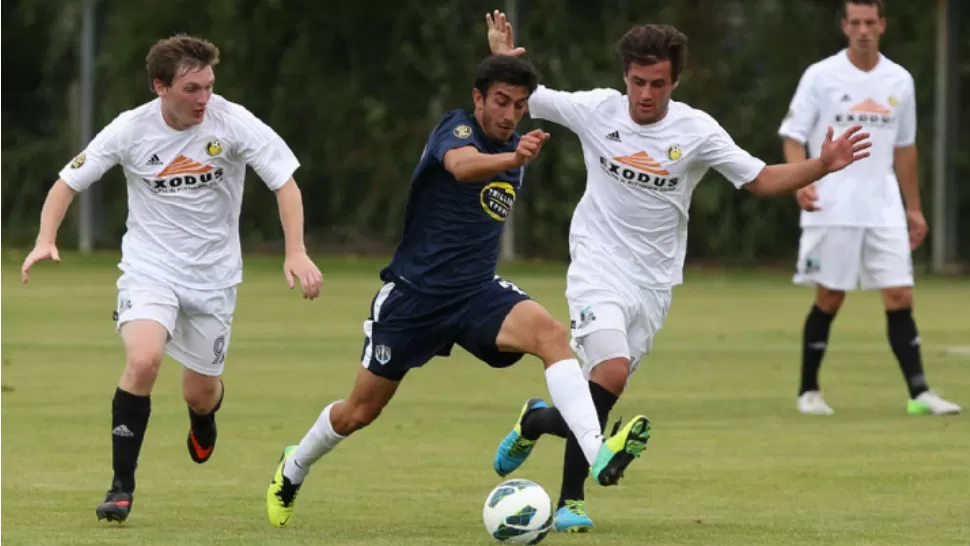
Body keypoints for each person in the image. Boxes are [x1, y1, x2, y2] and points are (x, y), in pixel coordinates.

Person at [485, 11, 873, 533]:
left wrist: (822, 165)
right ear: (625, 76)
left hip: (654, 282)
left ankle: (536, 419)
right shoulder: (595, 109)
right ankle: (570, 502)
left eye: (659, 84)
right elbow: (522, 97)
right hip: (596, 263)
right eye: (639, 82)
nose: (647, 94)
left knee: (599, 392)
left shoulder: (696, 130)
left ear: (675, 81)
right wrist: (506, 61)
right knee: (611, 370)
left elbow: (759, 179)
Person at [264, 55, 653, 529]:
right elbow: (462, 167)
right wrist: (513, 158)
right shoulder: (459, 130)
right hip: (413, 298)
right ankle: (294, 466)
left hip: (475, 295)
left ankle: (597, 452)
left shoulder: (516, 149)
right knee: (359, 412)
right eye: (500, 101)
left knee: (550, 334)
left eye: (519, 105)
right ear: (478, 99)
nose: (509, 114)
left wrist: (514, 146)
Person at [20, 34, 324, 523]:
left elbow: (284, 182)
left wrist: (296, 250)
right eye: (191, 88)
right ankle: (121, 487)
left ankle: (203, 418)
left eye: (207, 86)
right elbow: (68, 181)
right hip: (150, 268)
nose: (203, 98)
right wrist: (44, 238)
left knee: (199, 393)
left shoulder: (233, 121)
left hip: (214, 277)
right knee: (143, 362)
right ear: (161, 87)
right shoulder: (130, 130)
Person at [779, 0, 960, 416]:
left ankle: (919, 393)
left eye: (870, 22)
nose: (863, 29)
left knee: (899, 293)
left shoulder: (900, 79)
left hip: (884, 207)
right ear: (845, 26)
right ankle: (808, 392)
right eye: (855, 22)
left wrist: (913, 208)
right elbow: (793, 134)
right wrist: (798, 180)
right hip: (832, 204)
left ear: (882, 25)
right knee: (830, 295)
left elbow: (905, 148)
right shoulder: (821, 76)